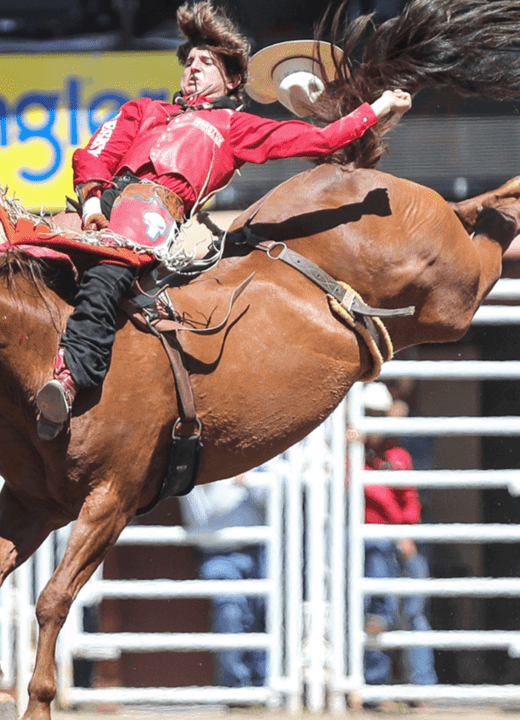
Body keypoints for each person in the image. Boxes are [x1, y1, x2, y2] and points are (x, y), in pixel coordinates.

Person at [32, 0, 413, 440]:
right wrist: (93, 203)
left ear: (232, 80)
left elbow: (323, 139)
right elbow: (95, 154)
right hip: (101, 204)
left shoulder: (236, 127)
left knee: (105, 276)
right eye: (190, 61)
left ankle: (69, 381)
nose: (193, 68)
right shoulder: (143, 110)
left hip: (154, 212)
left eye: (207, 62)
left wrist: (379, 107)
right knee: (20, 255)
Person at [360, 381, 436, 688]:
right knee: (377, 610)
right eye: (368, 414)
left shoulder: (397, 454)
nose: (373, 420)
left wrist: (406, 533)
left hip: (398, 538)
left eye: (378, 414)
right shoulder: (352, 454)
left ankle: (422, 684)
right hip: (372, 541)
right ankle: (376, 686)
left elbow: (410, 498)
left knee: (412, 611)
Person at [179, 465, 272, 688]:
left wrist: (249, 480)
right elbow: (202, 517)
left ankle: (262, 684)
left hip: (259, 546)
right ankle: (236, 688)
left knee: (265, 613)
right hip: (216, 549)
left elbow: (275, 496)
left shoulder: (257, 454)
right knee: (230, 612)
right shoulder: (193, 458)